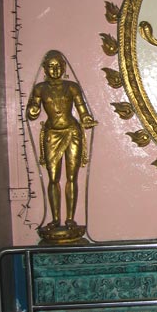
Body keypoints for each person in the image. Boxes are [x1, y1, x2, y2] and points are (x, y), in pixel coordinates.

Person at [26, 50, 98, 230]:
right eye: (51, 67)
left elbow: (82, 109)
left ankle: (70, 219)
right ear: (45, 68)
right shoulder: (40, 89)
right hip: (52, 133)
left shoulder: (72, 87)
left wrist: (87, 119)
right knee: (53, 178)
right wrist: (32, 111)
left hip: (72, 132)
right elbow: (32, 110)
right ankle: (55, 218)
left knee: (72, 177)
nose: (55, 70)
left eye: (59, 66)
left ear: (64, 67)